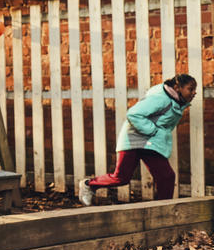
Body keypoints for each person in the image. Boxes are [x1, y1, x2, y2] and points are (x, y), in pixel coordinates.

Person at [79, 74, 197, 204]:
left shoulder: (176, 102)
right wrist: (153, 130)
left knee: (166, 176)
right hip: (133, 140)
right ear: (177, 87)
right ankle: (88, 185)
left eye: (194, 90)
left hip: (149, 143)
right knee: (121, 178)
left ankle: (162, 210)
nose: (194, 93)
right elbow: (134, 114)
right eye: (190, 89)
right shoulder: (161, 99)